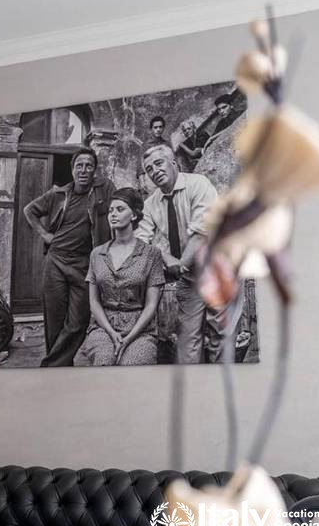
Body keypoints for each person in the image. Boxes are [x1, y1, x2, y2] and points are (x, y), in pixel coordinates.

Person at [23, 149, 115, 367]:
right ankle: (61, 368)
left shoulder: (104, 190)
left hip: (85, 264)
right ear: (72, 169)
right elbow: (29, 210)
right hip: (55, 261)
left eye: (89, 165)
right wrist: (45, 234)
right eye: (79, 165)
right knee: (54, 321)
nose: (83, 170)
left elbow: (122, 204)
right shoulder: (58, 195)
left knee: (78, 321)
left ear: (95, 170)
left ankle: (51, 366)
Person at [136, 145, 220, 364]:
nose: (154, 171)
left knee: (221, 339)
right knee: (187, 344)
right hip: (189, 279)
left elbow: (202, 230)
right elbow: (140, 241)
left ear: (173, 163)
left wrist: (180, 263)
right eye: (148, 169)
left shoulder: (198, 184)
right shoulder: (150, 204)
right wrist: (165, 257)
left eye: (158, 163)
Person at [74, 188, 165, 367]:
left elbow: (151, 305)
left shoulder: (151, 254)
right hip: (103, 327)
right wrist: (111, 332)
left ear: (134, 215)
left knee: (131, 364)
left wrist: (129, 337)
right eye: (111, 210)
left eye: (120, 209)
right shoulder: (97, 254)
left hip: (140, 329)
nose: (113, 214)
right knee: (104, 361)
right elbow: (94, 302)